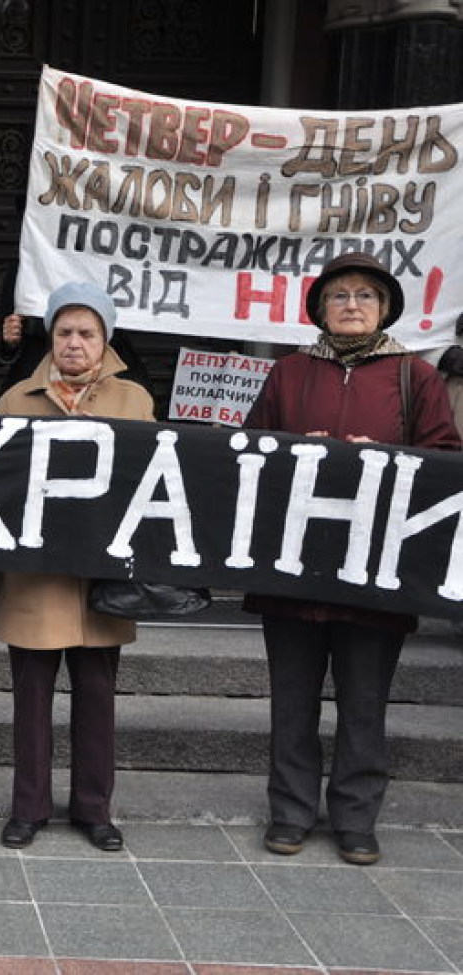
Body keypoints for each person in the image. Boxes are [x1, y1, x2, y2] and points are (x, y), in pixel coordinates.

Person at [244, 252, 461, 866]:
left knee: (365, 701)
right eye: (340, 295)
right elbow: (251, 453)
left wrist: (385, 458)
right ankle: (288, 812)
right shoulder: (288, 373)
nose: (352, 305)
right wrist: (292, 452)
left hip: (374, 574)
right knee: (292, 699)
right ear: (321, 309)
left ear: (385, 309)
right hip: (294, 568)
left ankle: (355, 820)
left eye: (366, 295)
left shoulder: (414, 377)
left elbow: (444, 461)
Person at [0, 281, 154, 851]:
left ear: (105, 340)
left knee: (97, 698)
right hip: (34, 577)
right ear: (50, 335)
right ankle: (30, 808)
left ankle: (94, 810)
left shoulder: (134, 402)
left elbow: (148, 490)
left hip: (99, 579)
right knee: (31, 701)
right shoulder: (16, 398)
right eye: (64, 331)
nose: (74, 342)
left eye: (86, 333)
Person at [0, 263, 150, 394]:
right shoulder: (31, 261)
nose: (74, 342)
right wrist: (9, 341)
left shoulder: (131, 397)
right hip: (37, 386)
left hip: (105, 389)